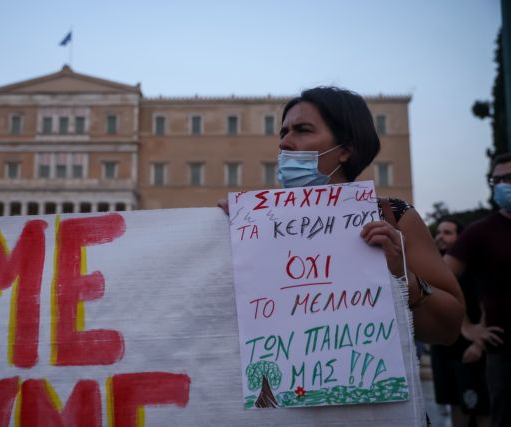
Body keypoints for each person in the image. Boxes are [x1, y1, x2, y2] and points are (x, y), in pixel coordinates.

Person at [219, 86, 464, 345]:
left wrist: (402, 276)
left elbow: (448, 329)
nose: (284, 143)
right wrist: (218, 232)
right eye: (284, 132)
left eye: (302, 130)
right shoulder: (256, 222)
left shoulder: (392, 217)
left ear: (345, 149)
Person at [445, 152, 511, 427]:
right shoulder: (480, 232)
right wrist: (467, 327)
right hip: (504, 354)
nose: (502, 185)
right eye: (496, 180)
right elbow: (439, 280)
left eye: (509, 178)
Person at [431, 217, 489, 427]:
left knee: (480, 408)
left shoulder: (473, 269)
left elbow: (489, 306)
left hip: (469, 350)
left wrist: (479, 344)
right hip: (443, 349)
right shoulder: (432, 268)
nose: (440, 237)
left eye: (448, 232)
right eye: (439, 232)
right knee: (454, 405)